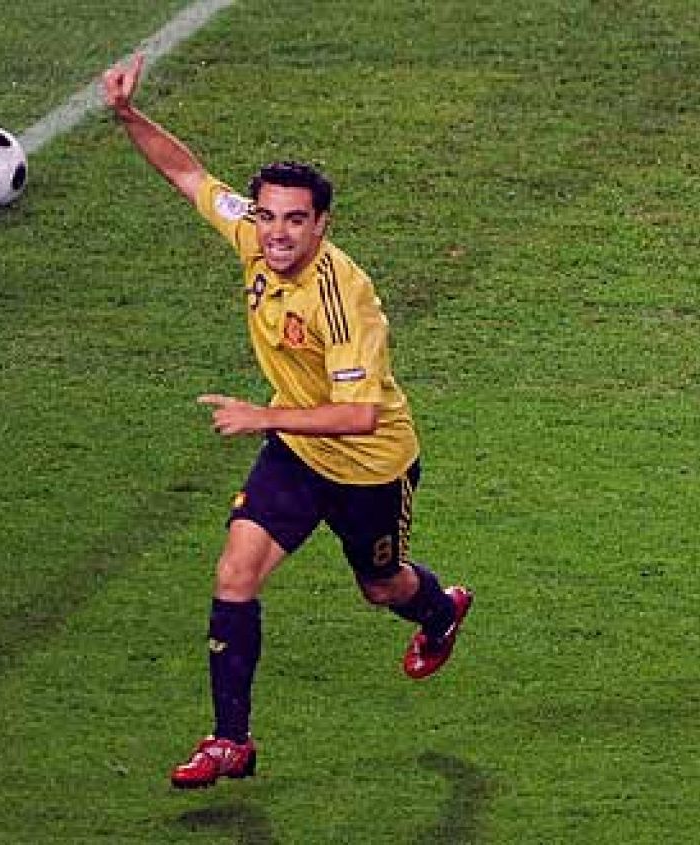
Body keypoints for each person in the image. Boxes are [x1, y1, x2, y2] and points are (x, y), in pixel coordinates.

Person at [102, 53, 473, 789]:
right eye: (267, 214)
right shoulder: (255, 238)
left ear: (322, 224)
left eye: (294, 220)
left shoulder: (343, 297)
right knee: (235, 574)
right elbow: (188, 177)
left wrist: (262, 415)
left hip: (371, 467)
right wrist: (127, 115)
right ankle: (229, 739)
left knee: (382, 587)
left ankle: (440, 608)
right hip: (298, 454)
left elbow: (363, 414)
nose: (275, 232)